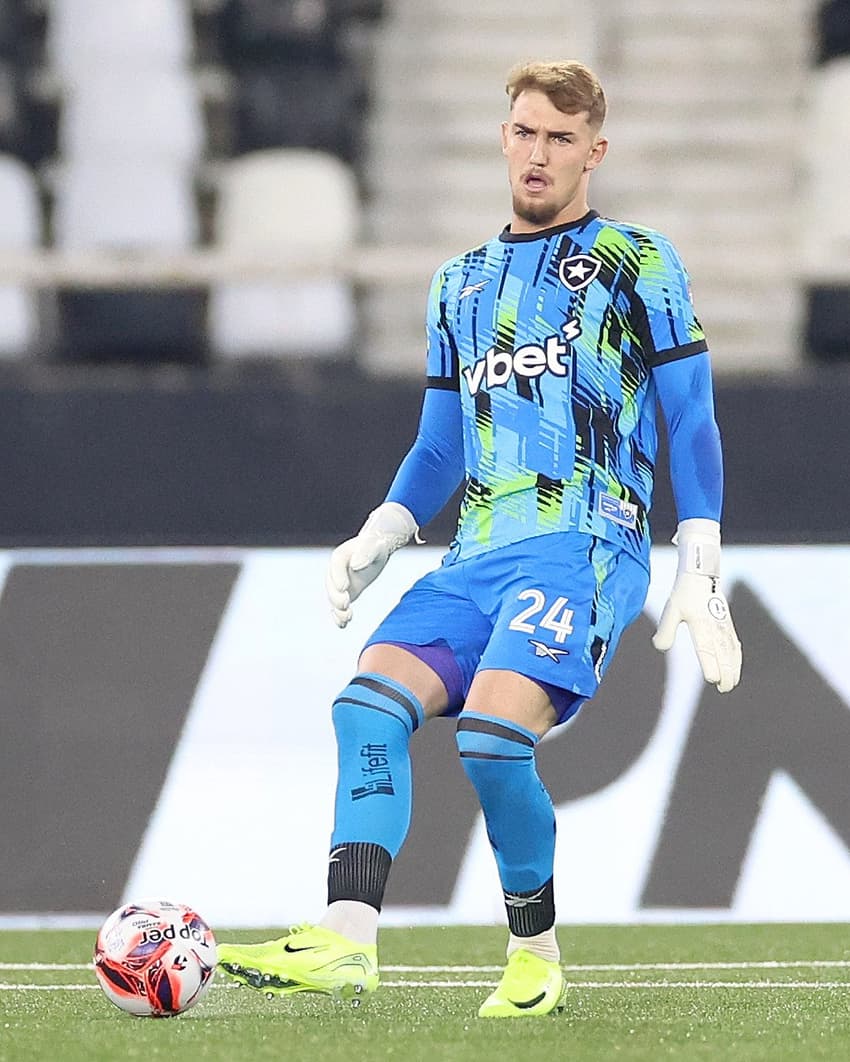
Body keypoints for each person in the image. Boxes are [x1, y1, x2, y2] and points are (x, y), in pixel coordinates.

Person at [218, 58, 743, 1018]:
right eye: (525, 132)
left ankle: (535, 954)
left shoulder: (637, 261)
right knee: (366, 708)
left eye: (560, 137)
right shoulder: (459, 285)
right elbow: (439, 441)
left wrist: (699, 558)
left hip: (583, 546)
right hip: (473, 557)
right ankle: (346, 939)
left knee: (495, 739)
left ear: (594, 151)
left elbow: (691, 418)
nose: (539, 153)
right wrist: (381, 532)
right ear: (504, 137)